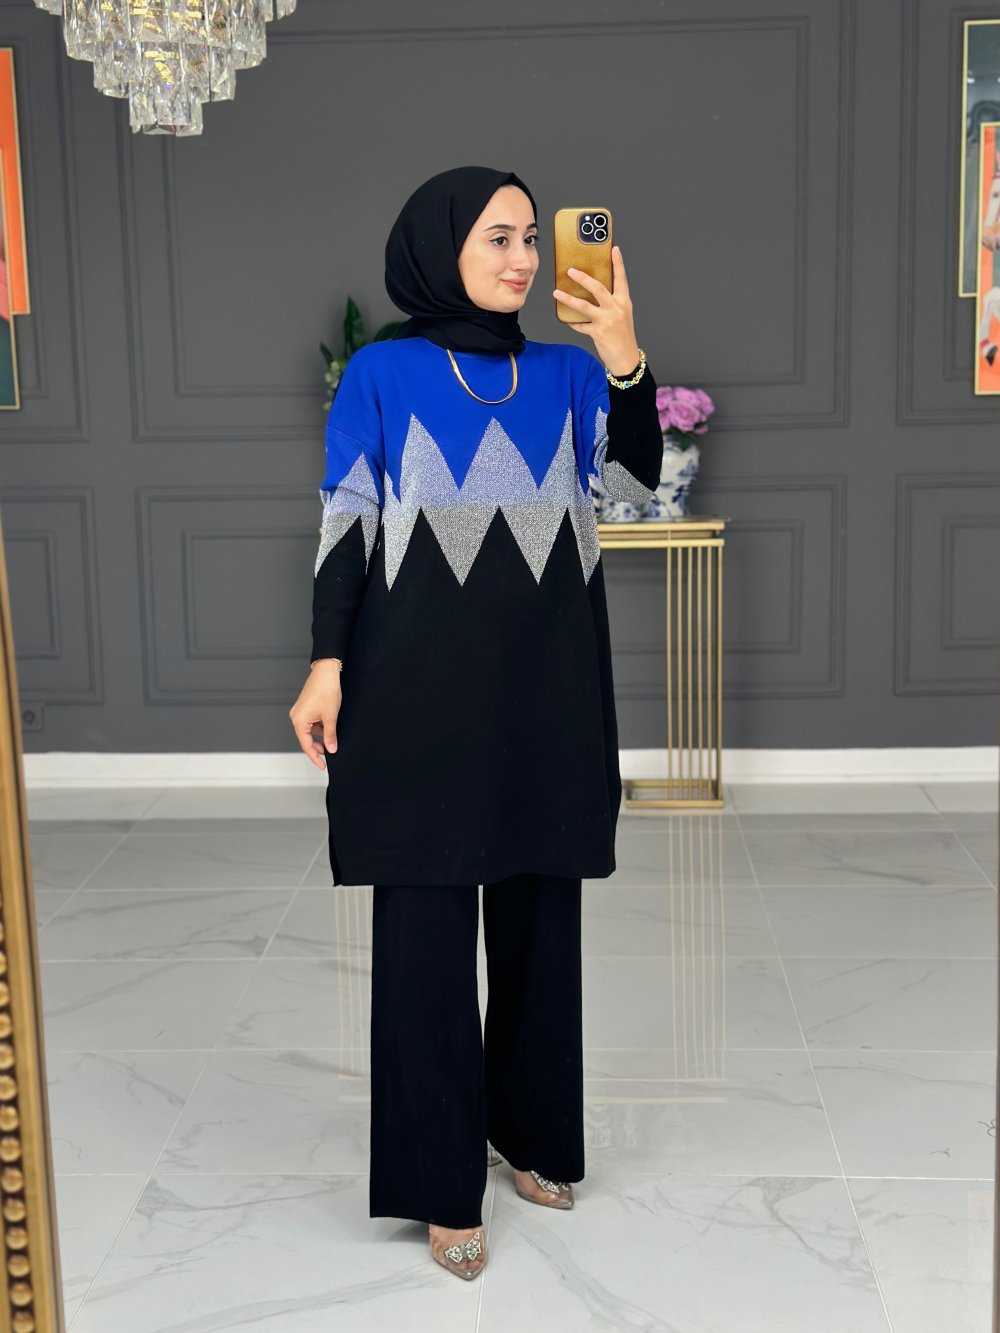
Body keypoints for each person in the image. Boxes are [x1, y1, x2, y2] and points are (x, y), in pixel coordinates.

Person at [288, 165, 663, 1280]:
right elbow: (348, 520)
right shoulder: (383, 373)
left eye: (531, 239)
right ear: (439, 246)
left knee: (543, 923)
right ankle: (439, 1181)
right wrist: (325, 662)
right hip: (414, 698)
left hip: (546, 693)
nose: (523, 259)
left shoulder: (567, 373)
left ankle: (531, 1132)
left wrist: (625, 356)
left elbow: (633, 483)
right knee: (424, 940)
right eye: (497, 237)